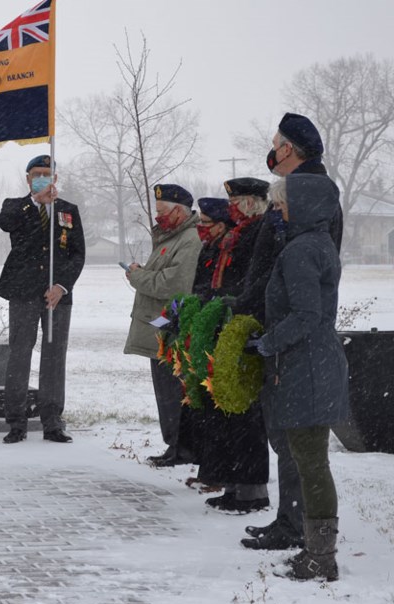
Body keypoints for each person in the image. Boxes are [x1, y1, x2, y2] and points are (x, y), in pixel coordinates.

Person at [238, 113, 344, 551]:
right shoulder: (297, 201)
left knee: (299, 444)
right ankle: (290, 519)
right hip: (282, 327)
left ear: (289, 149)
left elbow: (305, 292)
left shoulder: (309, 205)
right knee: (289, 437)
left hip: (294, 337)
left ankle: (299, 526)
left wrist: (272, 331)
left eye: (278, 145)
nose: (276, 210)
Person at [188, 193, 270, 513]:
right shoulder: (237, 235)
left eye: (237, 200)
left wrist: (236, 303)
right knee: (226, 411)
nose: (232, 205)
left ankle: (252, 491)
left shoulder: (256, 233)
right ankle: (235, 484)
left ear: (251, 203)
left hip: (243, 324)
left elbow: (252, 280)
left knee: (245, 413)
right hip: (225, 322)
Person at [0, 155, 86, 444]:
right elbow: (6, 224)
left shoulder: (68, 211)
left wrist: (61, 286)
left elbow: (77, 253)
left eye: (47, 173)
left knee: (54, 356)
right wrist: (36, 201)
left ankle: (52, 421)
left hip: (56, 297)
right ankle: (16, 421)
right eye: (37, 174)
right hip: (23, 291)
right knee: (20, 353)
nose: (43, 177)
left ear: (56, 178)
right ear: (28, 178)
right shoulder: (15, 206)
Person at [123, 184, 201, 467]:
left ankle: (183, 447)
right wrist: (143, 274)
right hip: (163, 327)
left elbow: (175, 284)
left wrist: (138, 278)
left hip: (175, 328)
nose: (158, 218)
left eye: (163, 212)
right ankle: (175, 445)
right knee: (165, 390)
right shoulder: (171, 237)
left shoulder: (190, 240)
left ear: (180, 211)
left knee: (174, 390)